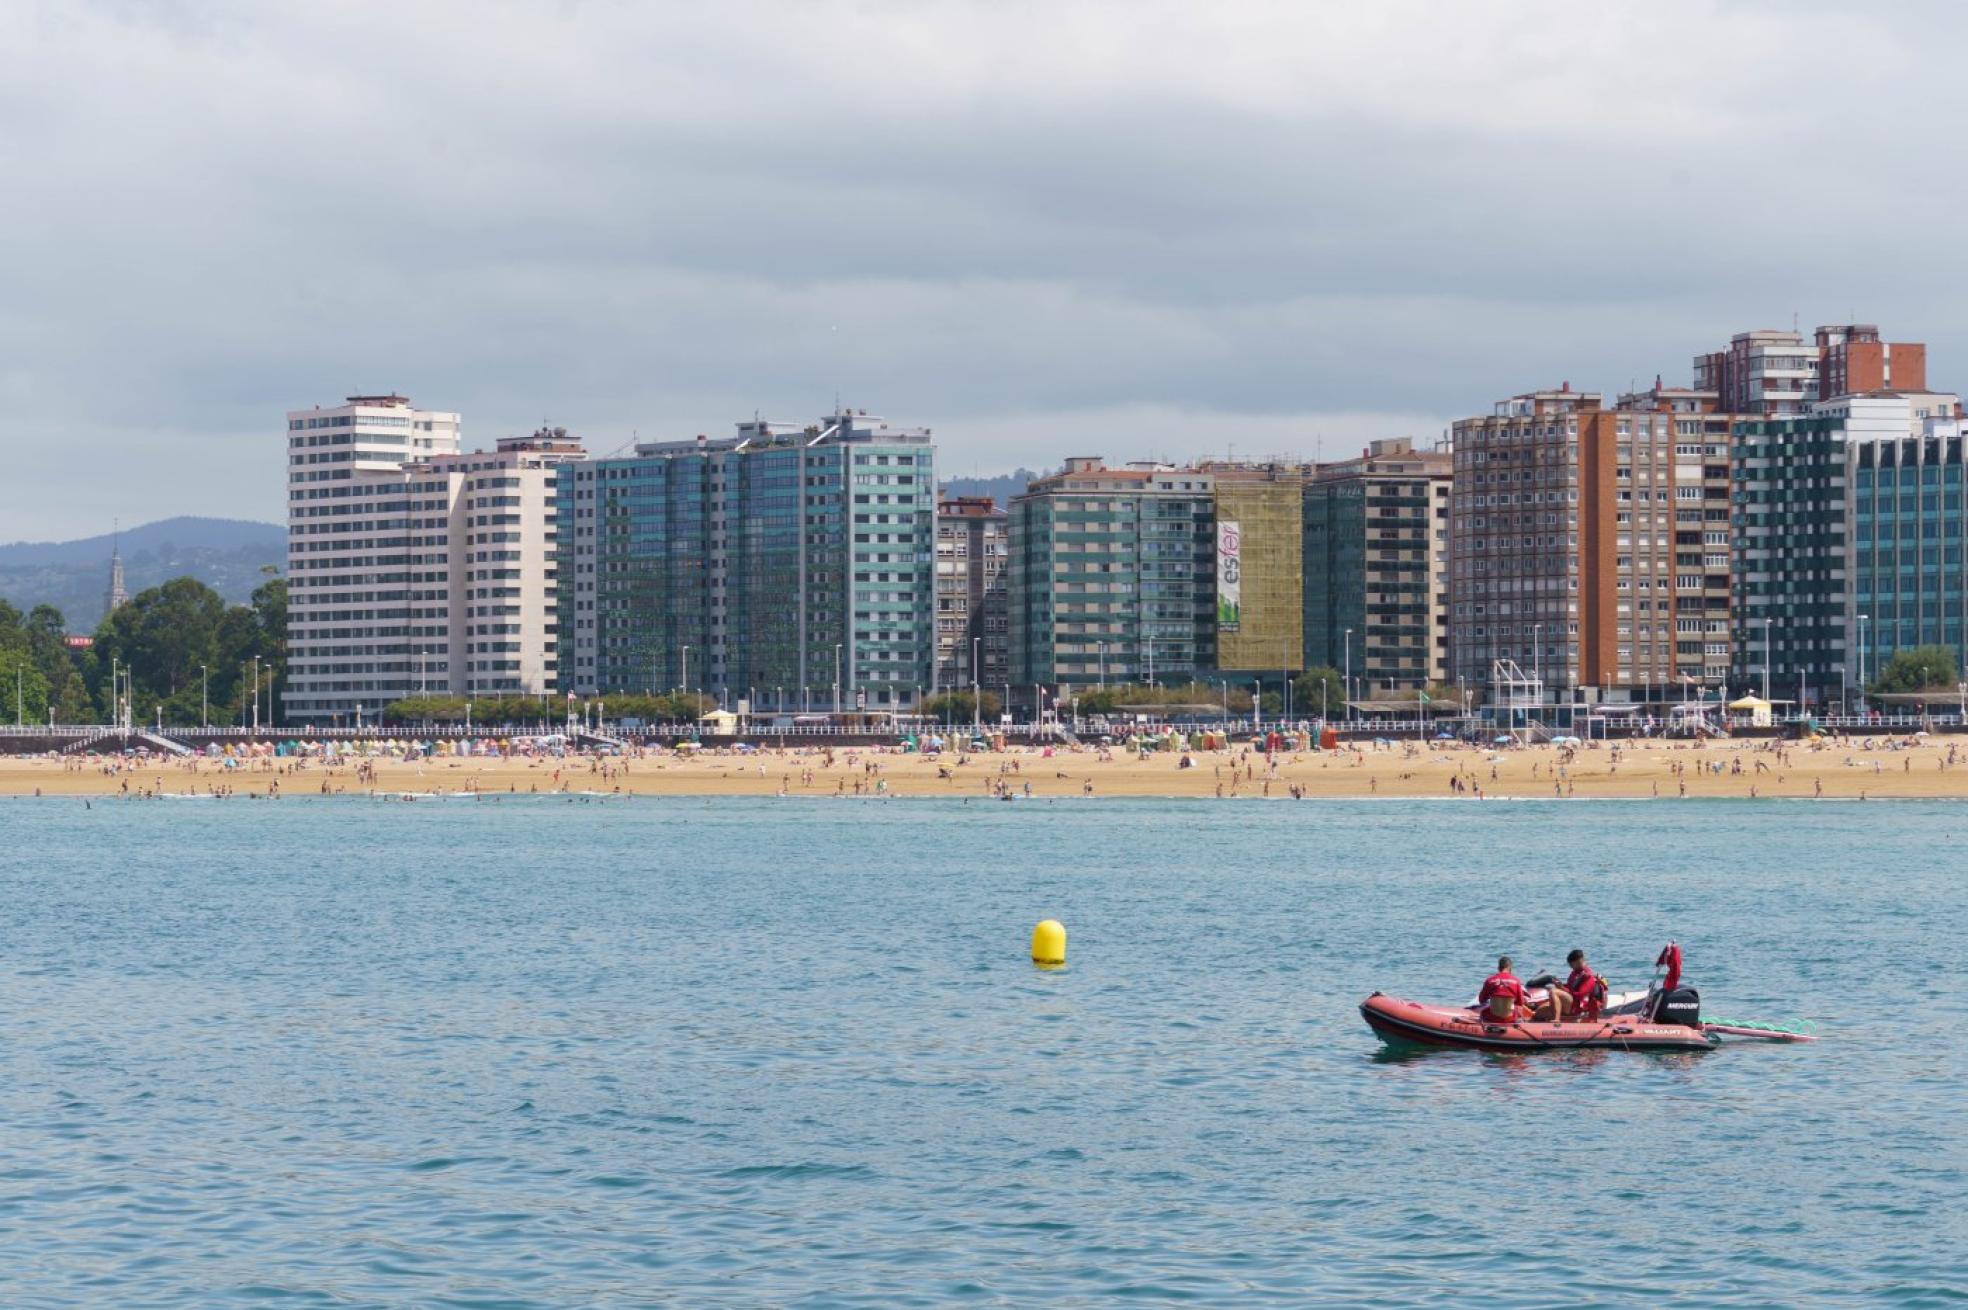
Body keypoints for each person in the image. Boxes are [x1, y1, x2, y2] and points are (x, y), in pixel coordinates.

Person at [1477, 956, 1529, 1022]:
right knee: (1519, 1010)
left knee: (1483, 1011)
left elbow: (1481, 1000)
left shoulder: (1489, 980)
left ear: (1498, 968)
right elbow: (1520, 1003)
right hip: (1510, 1018)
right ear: (1510, 968)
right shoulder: (1516, 981)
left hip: (1492, 1017)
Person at [1562, 948, 1606, 1020]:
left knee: (1555, 993)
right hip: (1573, 999)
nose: (1570, 966)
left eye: (1571, 964)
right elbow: (1570, 986)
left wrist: (1563, 989)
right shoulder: (1575, 973)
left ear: (1579, 961)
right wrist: (1560, 986)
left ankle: (1556, 1019)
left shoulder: (1588, 976)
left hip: (1581, 1006)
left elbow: (1581, 994)